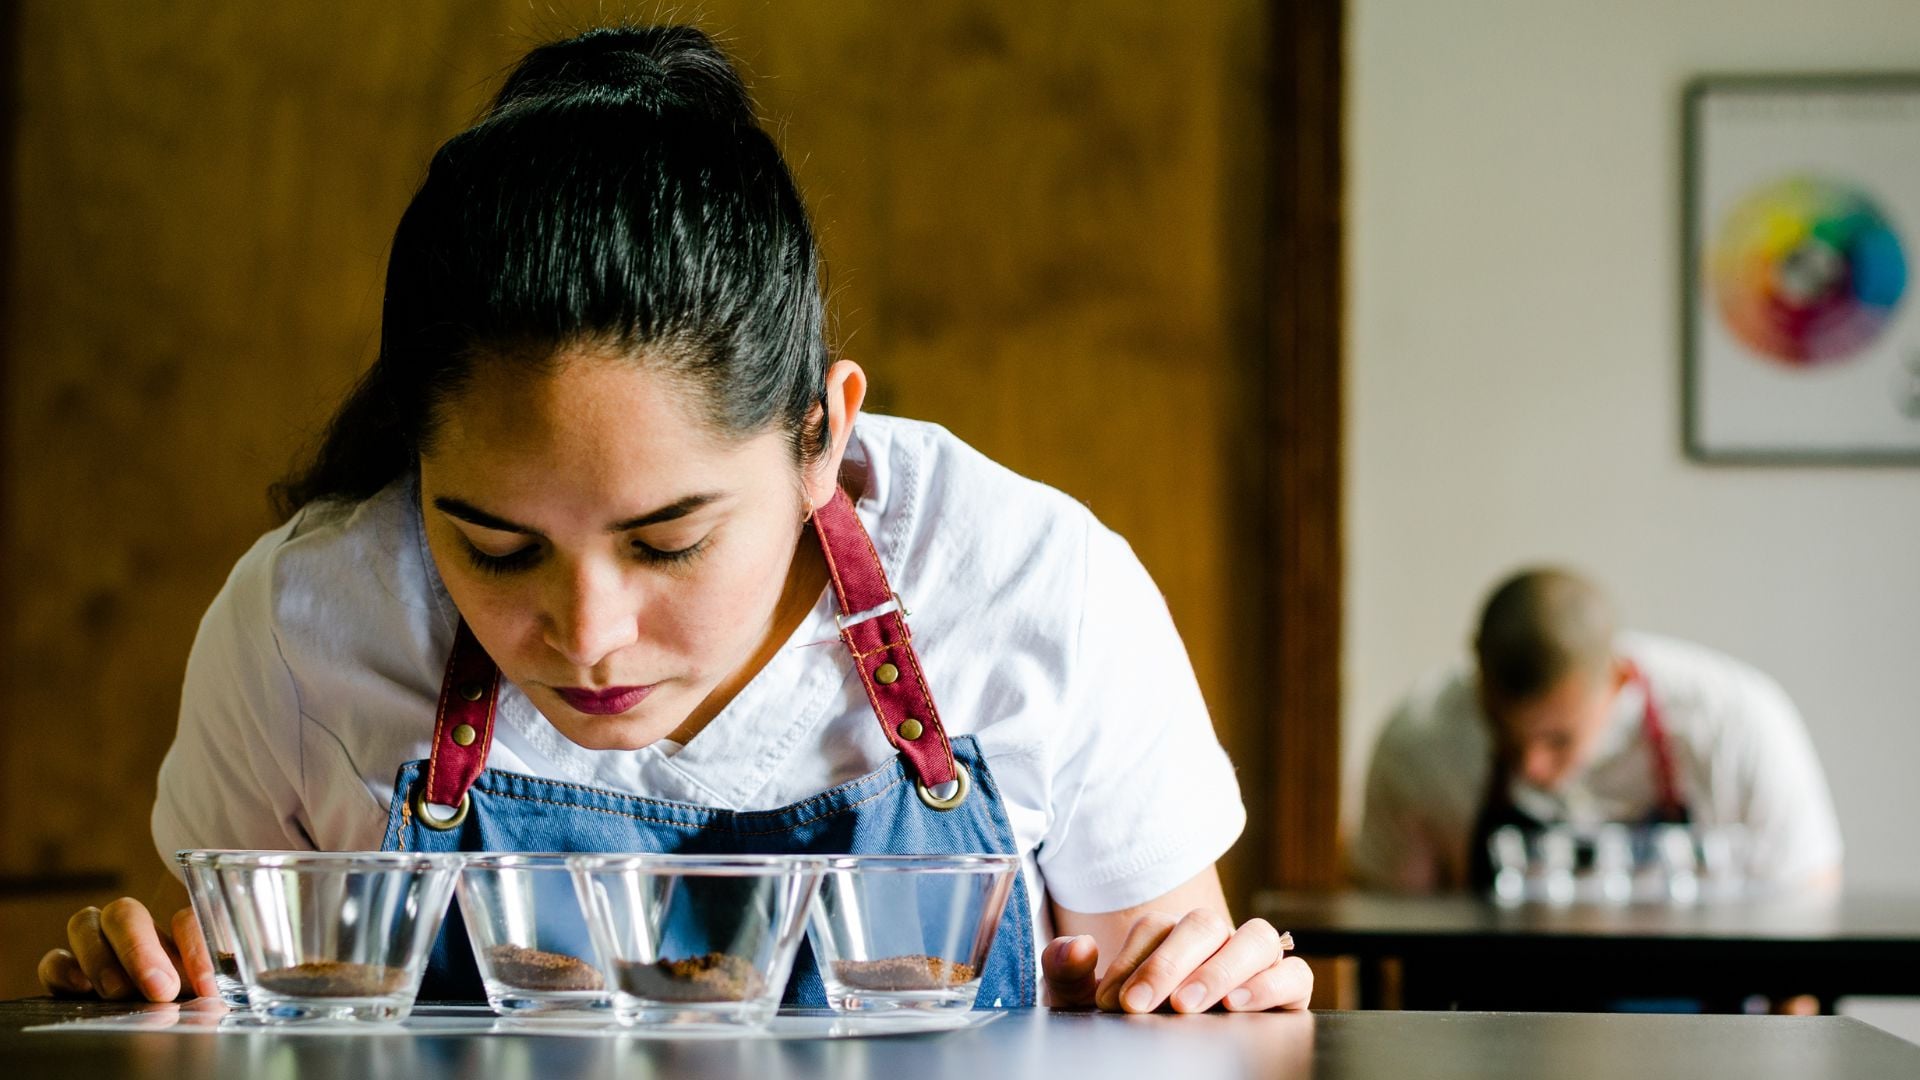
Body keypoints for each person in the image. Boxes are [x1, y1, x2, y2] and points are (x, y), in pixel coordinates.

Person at [35, 25, 1308, 1014]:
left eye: (668, 542)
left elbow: (1171, 988)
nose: (589, 634)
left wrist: (1210, 1002)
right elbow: (215, 1004)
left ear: (824, 435)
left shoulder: (1032, 586)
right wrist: (144, 991)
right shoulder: (307, 621)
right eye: (493, 546)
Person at [1350, 566, 1843, 895]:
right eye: (1504, 731)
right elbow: (1388, 934)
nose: (1532, 767)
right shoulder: (1418, 742)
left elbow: (1807, 912)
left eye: (1558, 738)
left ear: (1619, 680)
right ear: (1476, 667)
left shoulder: (1735, 726)